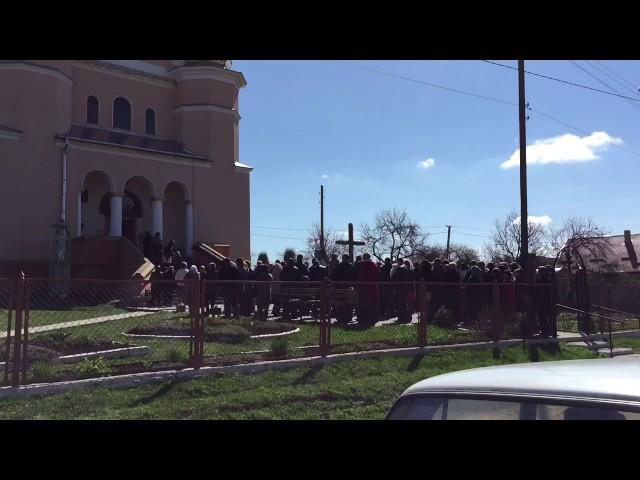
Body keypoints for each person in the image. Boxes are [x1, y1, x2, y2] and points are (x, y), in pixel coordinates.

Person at [331, 254, 356, 325]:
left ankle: (341, 317)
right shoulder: (351, 266)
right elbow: (355, 277)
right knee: (349, 302)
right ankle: (348, 316)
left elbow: (334, 277)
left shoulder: (339, 266)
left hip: (340, 287)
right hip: (349, 288)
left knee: (340, 303)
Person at [357, 253, 380, 326]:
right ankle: (373, 318)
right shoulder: (373, 265)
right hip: (372, 288)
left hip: (364, 288)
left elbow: (359, 275)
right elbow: (377, 276)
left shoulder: (361, 265)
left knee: (363, 303)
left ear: (364, 258)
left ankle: (363, 318)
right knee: (373, 304)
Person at [391, 258, 411, 323]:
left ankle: (401, 318)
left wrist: (393, 273)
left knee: (399, 303)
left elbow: (394, 278)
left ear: (399, 262)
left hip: (399, 288)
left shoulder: (399, 269)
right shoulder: (407, 269)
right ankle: (407, 317)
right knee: (404, 303)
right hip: (405, 288)